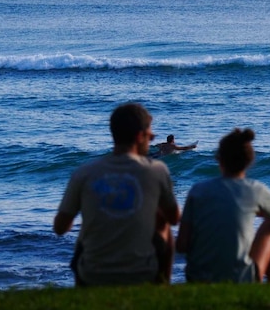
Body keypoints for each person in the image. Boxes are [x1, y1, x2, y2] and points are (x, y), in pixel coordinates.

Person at [53, 103, 181, 286]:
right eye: (149, 133)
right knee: (164, 227)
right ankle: (161, 287)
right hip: (142, 273)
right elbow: (175, 218)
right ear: (139, 136)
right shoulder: (157, 170)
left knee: (87, 228)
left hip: (91, 274)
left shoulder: (84, 173)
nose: (152, 137)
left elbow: (60, 228)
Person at [176, 128, 270, 284]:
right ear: (250, 161)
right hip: (240, 279)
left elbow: (181, 245)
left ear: (219, 159)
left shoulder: (197, 191)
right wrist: (257, 210)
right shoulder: (255, 190)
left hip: (197, 279)